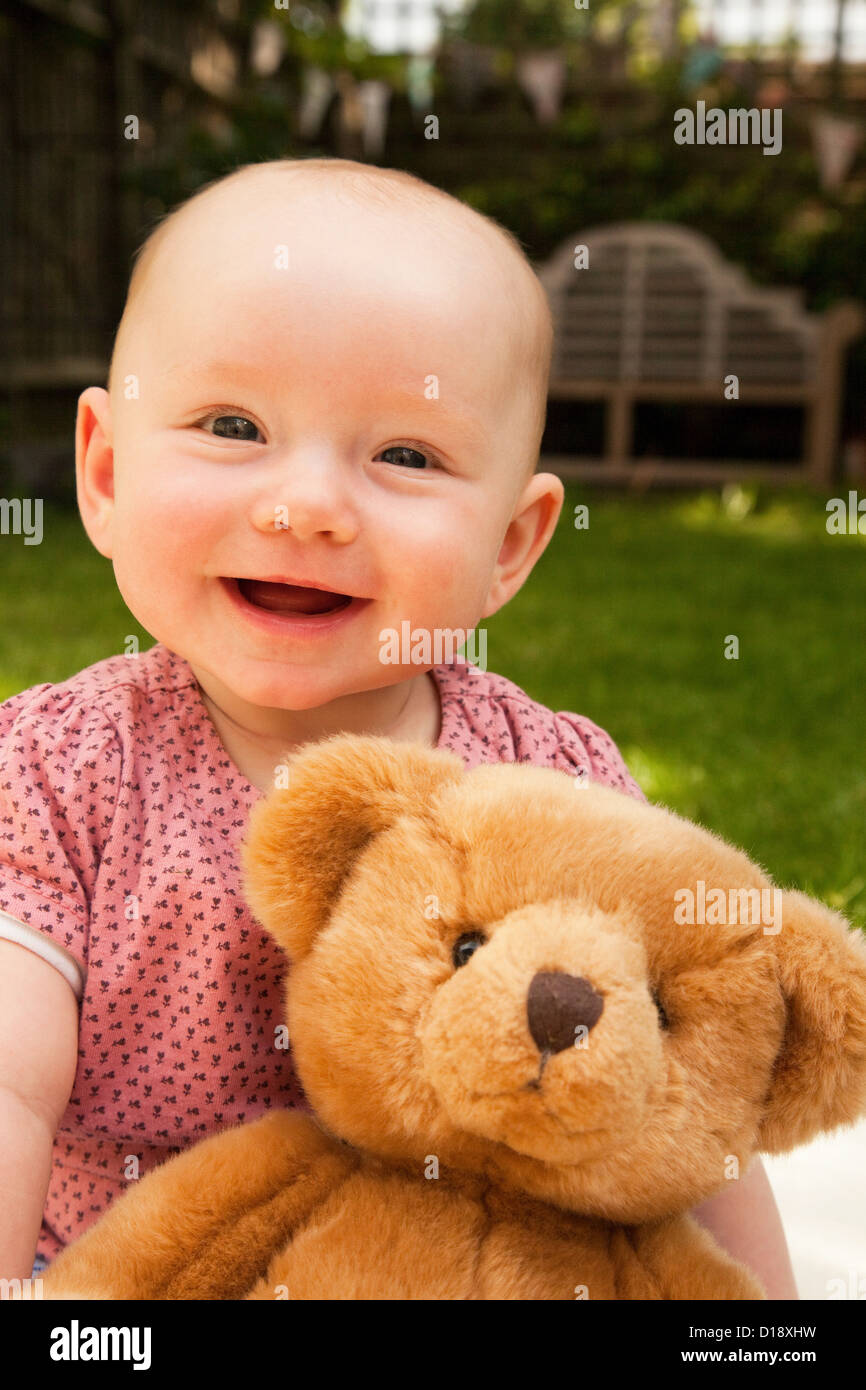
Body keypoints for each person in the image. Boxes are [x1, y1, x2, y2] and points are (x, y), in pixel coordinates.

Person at [0, 157, 797, 1297]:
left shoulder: (550, 781)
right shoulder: (55, 771)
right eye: (233, 424)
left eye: (405, 456)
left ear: (509, 547)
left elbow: (682, 1088)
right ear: (106, 473)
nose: (309, 506)